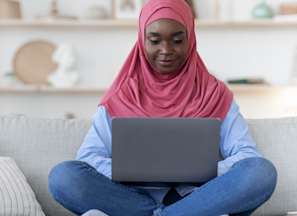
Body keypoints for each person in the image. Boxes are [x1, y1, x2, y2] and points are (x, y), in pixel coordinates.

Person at [48, 0, 277, 216]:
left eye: (177, 40)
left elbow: (247, 155)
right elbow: (88, 157)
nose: (166, 50)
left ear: (191, 39)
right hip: (129, 198)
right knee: (64, 177)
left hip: (196, 197)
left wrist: (201, 170)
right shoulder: (122, 95)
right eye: (155, 40)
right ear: (142, 40)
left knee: (260, 173)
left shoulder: (214, 93)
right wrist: (130, 172)